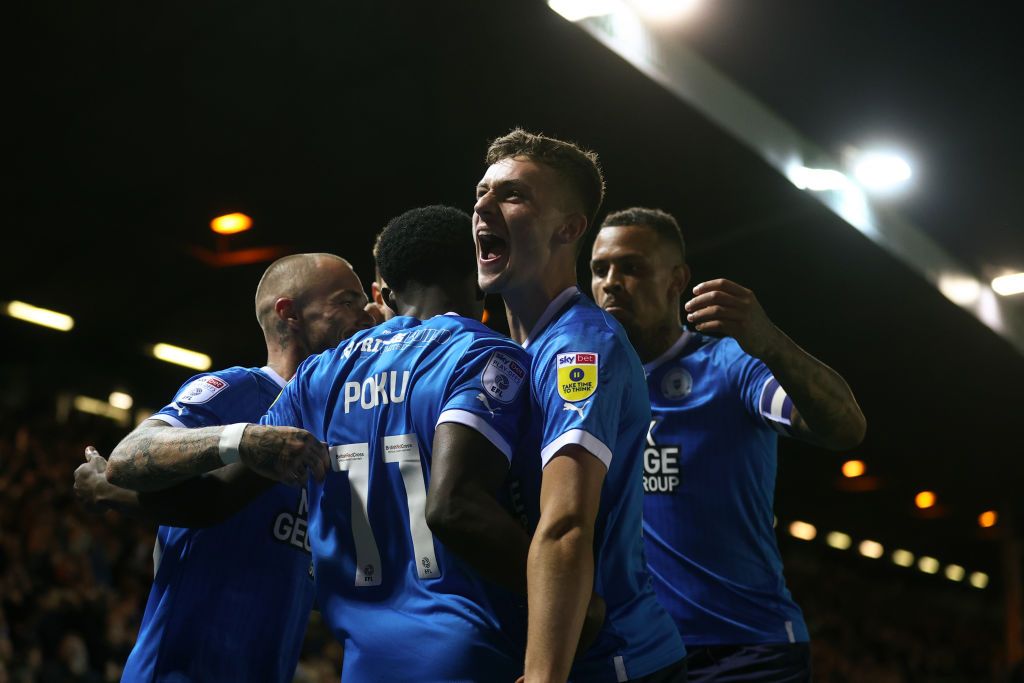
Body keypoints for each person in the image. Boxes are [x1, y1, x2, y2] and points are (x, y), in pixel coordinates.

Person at [260, 206, 537, 681]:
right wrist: (565, 590)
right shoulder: (486, 353)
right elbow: (455, 508)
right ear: (479, 279)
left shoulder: (317, 373)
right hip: (472, 652)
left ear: (384, 292)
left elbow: (233, 478)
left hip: (363, 659)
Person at [590, 207, 867, 681]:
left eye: (632, 267)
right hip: (637, 651)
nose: (612, 282)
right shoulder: (586, 385)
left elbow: (844, 427)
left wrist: (771, 344)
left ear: (677, 278)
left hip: (745, 651)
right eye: (600, 269)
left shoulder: (730, 364)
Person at [87, 253, 373, 682]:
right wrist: (244, 438)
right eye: (347, 301)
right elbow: (129, 455)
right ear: (288, 312)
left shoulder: (342, 424)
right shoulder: (239, 389)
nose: (365, 313)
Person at [474, 130, 686, 682]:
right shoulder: (506, 349)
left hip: (615, 661)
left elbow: (566, 523)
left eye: (512, 196)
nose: (482, 206)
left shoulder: (580, 347)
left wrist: (544, 676)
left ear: (569, 229)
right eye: (481, 192)